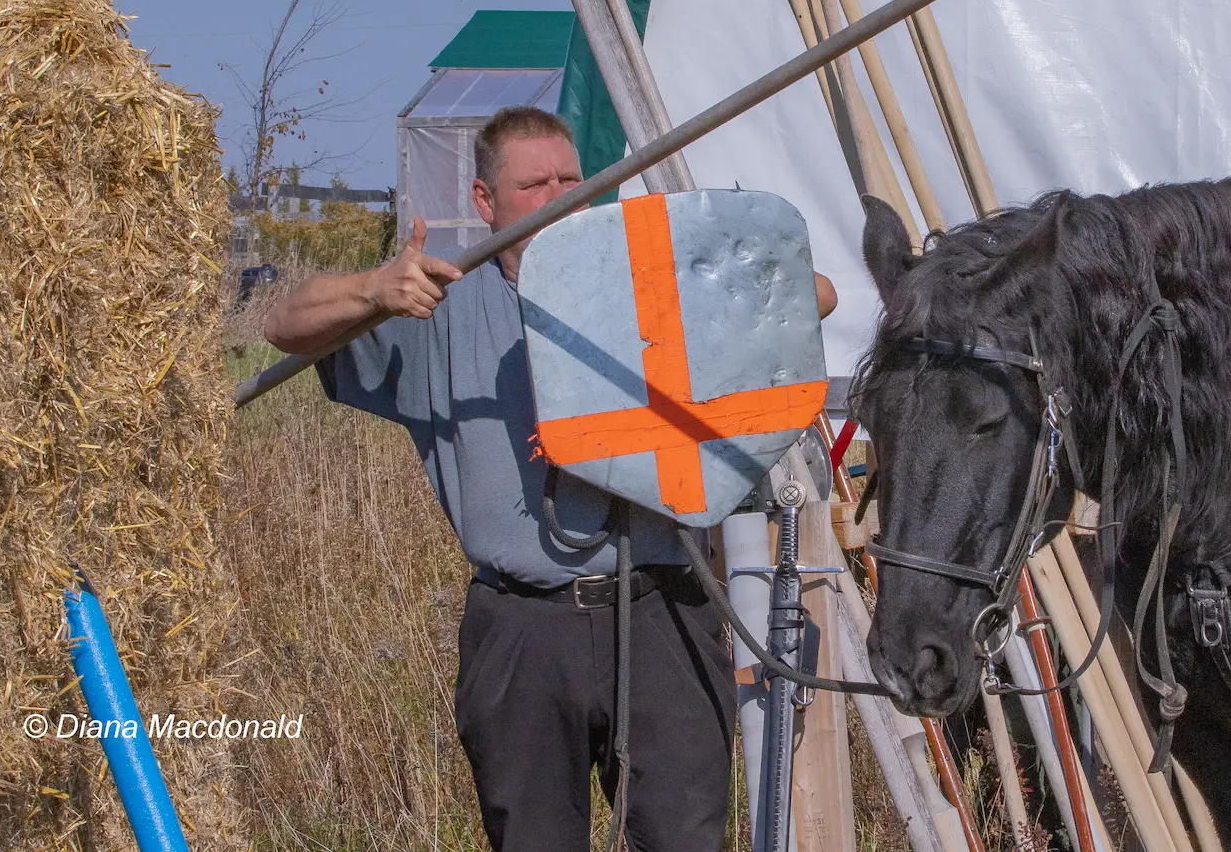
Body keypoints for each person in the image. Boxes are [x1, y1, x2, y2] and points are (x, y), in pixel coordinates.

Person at [264, 105, 836, 851]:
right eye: (534, 184)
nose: (560, 195)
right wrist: (376, 289)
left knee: (685, 837)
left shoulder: (648, 278)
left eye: (572, 179)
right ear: (484, 201)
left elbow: (812, 294)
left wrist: (704, 270)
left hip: (660, 609)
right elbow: (283, 323)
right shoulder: (439, 307)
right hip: (522, 628)